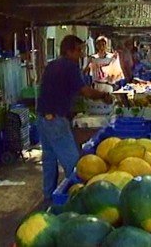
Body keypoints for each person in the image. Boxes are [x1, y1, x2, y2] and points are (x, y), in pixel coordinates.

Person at [37, 35, 113, 203]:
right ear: (68, 50)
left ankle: (49, 200)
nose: (81, 54)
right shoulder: (70, 66)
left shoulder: (52, 65)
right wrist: (103, 95)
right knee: (74, 164)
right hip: (56, 120)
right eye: (78, 50)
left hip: (43, 118)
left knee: (49, 161)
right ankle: (81, 200)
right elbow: (85, 91)